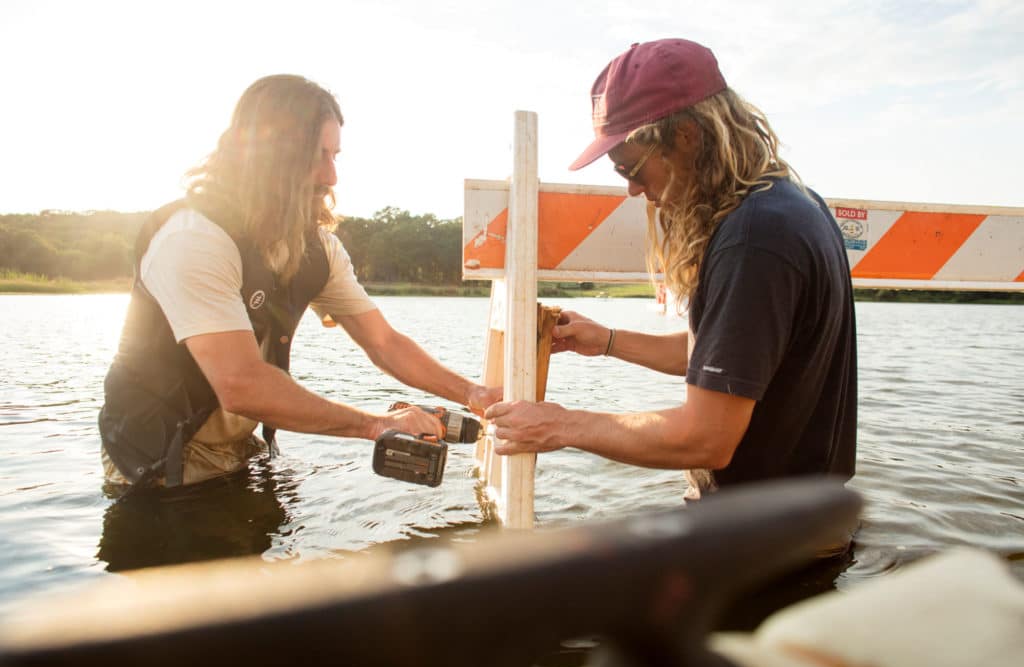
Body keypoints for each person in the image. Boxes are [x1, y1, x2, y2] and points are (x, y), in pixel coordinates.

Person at [486, 39, 857, 504]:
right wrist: (608, 342)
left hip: (760, 544)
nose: (632, 190)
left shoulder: (754, 238)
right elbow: (732, 358)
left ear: (686, 136)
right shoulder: (794, 205)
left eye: (632, 168)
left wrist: (561, 425)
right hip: (803, 522)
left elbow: (706, 438)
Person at [99, 74, 499, 488]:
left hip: (238, 451)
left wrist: (473, 394)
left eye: (335, 156)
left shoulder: (316, 249)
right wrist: (375, 425)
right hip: (155, 467)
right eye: (316, 155)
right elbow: (241, 384)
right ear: (264, 155)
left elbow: (384, 342)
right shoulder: (193, 239)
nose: (331, 177)